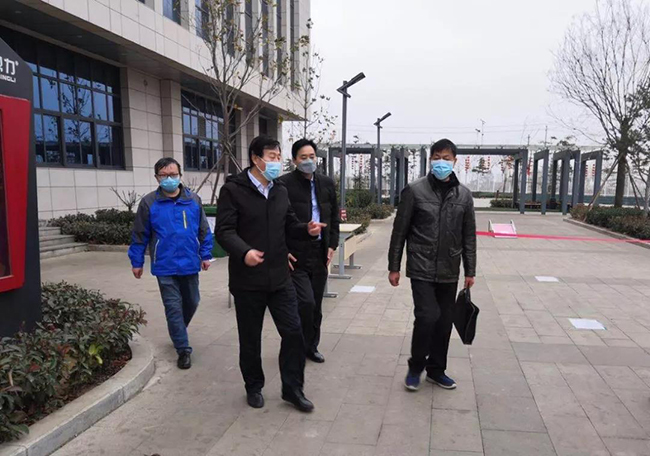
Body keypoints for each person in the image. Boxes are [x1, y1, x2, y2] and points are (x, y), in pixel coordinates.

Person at [214, 135, 326, 412]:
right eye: (272, 157)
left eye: (278, 156)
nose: (277, 161)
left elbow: (289, 223)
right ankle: (253, 386)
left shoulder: (280, 190)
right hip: (247, 280)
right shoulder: (233, 190)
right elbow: (224, 231)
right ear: (256, 158)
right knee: (250, 338)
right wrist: (244, 252)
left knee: (294, 332)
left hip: (280, 278)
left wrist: (306, 229)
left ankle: (293, 389)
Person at [387, 138, 477, 392]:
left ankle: (437, 371)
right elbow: (399, 232)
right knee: (427, 317)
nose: (441, 162)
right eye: (437, 157)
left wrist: (470, 270)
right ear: (430, 160)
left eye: (446, 158)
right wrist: (394, 266)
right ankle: (416, 367)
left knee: (444, 322)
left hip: (449, 268)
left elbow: (469, 236)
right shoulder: (415, 191)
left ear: (455, 161)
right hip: (421, 266)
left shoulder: (464, 196)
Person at [128, 157, 213, 370]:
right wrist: (137, 261)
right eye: (164, 175)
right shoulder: (149, 203)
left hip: (190, 262)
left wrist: (205, 255)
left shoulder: (193, 200)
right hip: (164, 265)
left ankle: (177, 330)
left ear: (180, 175)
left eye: (173, 175)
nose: (169, 179)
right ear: (157, 177)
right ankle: (183, 349)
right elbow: (139, 235)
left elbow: (204, 230)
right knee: (173, 307)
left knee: (192, 301)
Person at [278, 138, 340, 364]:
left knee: (316, 306)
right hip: (296, 253)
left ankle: (311, 347)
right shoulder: (284, 184)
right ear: (295, 160)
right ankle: (296, 344)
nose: (308, 161)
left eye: (311, 157)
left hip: (320, 253)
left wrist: (332, 245)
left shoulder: (326, 183)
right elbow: (278, 221)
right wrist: (283, 250)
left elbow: (333, 217)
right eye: (303, 157)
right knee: (305, 302)